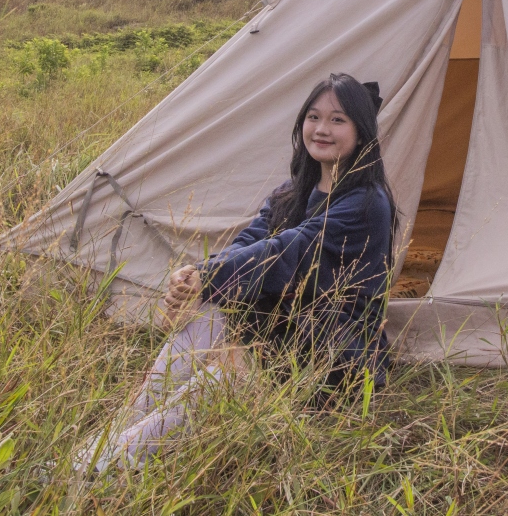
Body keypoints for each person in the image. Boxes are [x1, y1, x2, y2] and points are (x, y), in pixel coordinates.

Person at [79, 74, 395, 471]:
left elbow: (289, 249)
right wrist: (197, 276)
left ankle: (104, 467)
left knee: (226, 371)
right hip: (280, 324)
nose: (321, 129)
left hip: (332, 347)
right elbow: (251, 240)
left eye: (338, 120)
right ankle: (111, 442)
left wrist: (209, 276)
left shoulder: (367, 202)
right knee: (206, 317)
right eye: (313, 117)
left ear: (361, 131)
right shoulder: (295, 190)